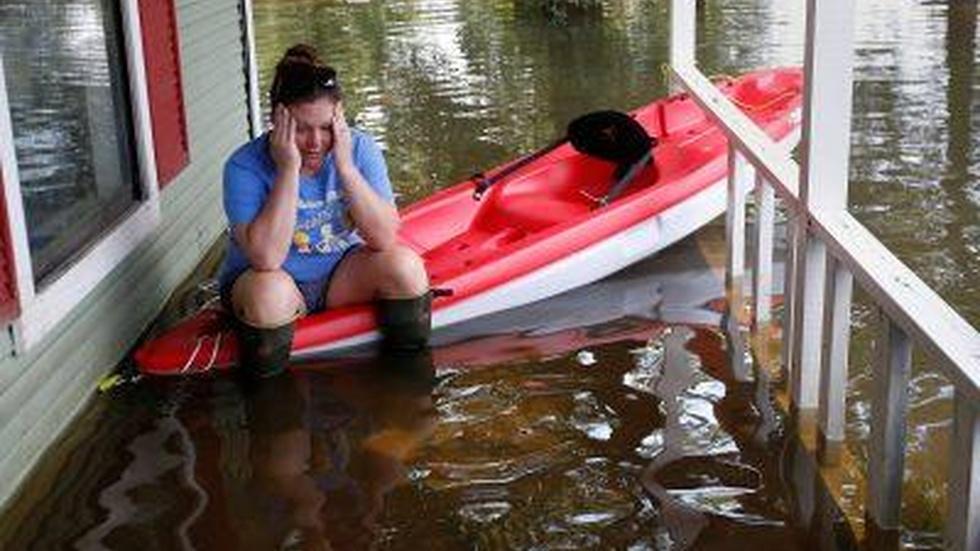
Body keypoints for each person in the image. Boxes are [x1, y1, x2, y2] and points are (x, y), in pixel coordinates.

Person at [220, 43, 430, 377]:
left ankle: (405, 391)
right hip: (270, 285)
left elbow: (385, 236)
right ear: (278, 119)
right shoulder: (243, 166)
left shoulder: (359, 148)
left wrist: (346, 168)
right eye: (301, 128)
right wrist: (288, 169)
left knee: (406, 267)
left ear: (339, 117)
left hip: (340, 277)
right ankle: (274, 412)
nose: (316, 142)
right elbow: (267, 259)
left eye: (326, 127)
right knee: (268, 295)